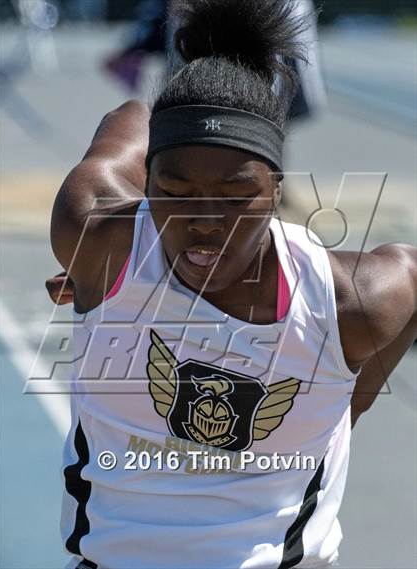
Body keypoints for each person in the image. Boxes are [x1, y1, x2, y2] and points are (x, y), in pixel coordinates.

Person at [47, 1, 417, 568]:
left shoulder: (345, 303)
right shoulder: (100, 243)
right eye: (175, 190)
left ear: (277, 190)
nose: (204, 219)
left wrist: (345, 402)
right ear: (146, 186)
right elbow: (132, 114)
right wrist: (212, 86)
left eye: (236, 193)